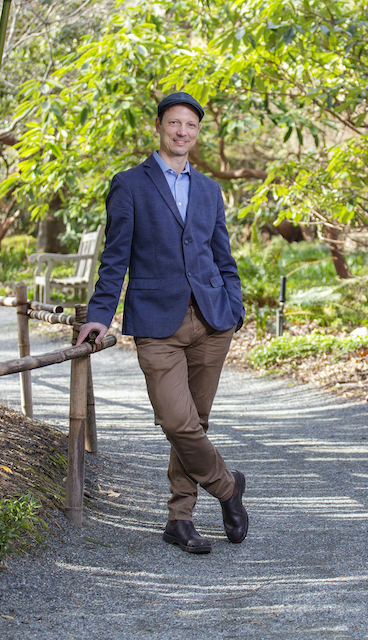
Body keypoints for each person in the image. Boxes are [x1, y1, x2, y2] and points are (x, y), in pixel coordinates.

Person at [75, 92, 248, 555]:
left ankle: (180, 518)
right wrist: (99, 316)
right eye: (174, 123)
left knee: (196, 422)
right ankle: (228, 489)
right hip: (157, 323)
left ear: (197, 132)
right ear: (159, 125)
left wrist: (235, 306)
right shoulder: (130, 184)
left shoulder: (210, 190)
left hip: (212, 321)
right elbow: (115, 260)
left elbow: (222, 258)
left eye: (190, 126)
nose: (182, 132)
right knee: (177, 420)